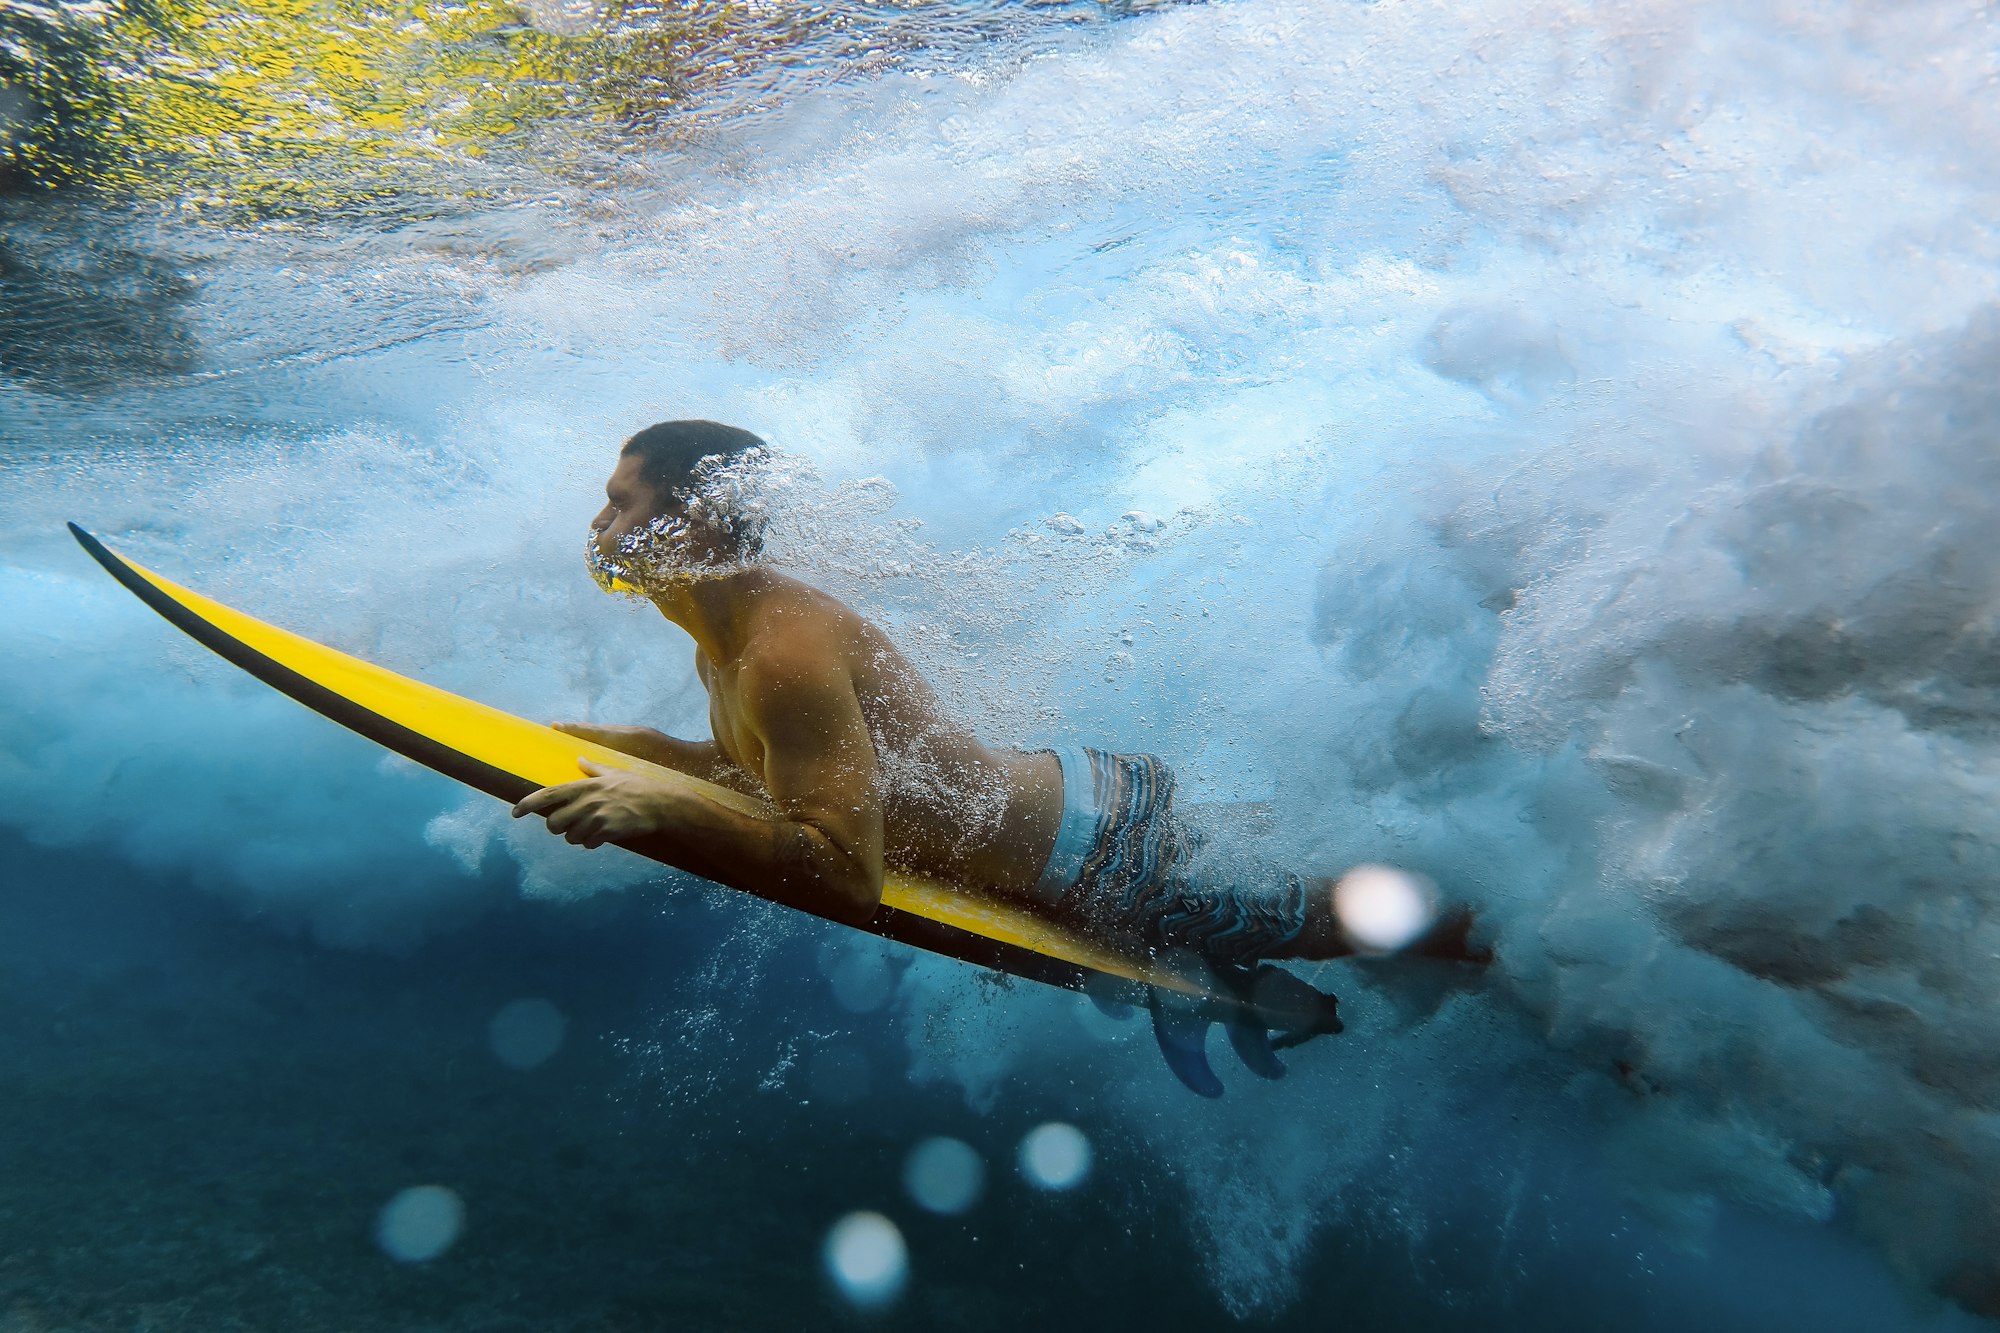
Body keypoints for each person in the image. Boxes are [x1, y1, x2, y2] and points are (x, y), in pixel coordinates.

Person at [512, 421, 1480, 1089]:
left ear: (703, 521)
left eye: (620, 502)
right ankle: (1350, 944)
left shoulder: (779, 656)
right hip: (1073, 814)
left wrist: (662, 810)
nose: (600, 526)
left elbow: (847, 871)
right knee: (1287, 908)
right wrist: (633, 754)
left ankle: (1506, 949)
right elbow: (771, 776)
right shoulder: (720, 645)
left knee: (1324, 918)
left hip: (1103, 858)